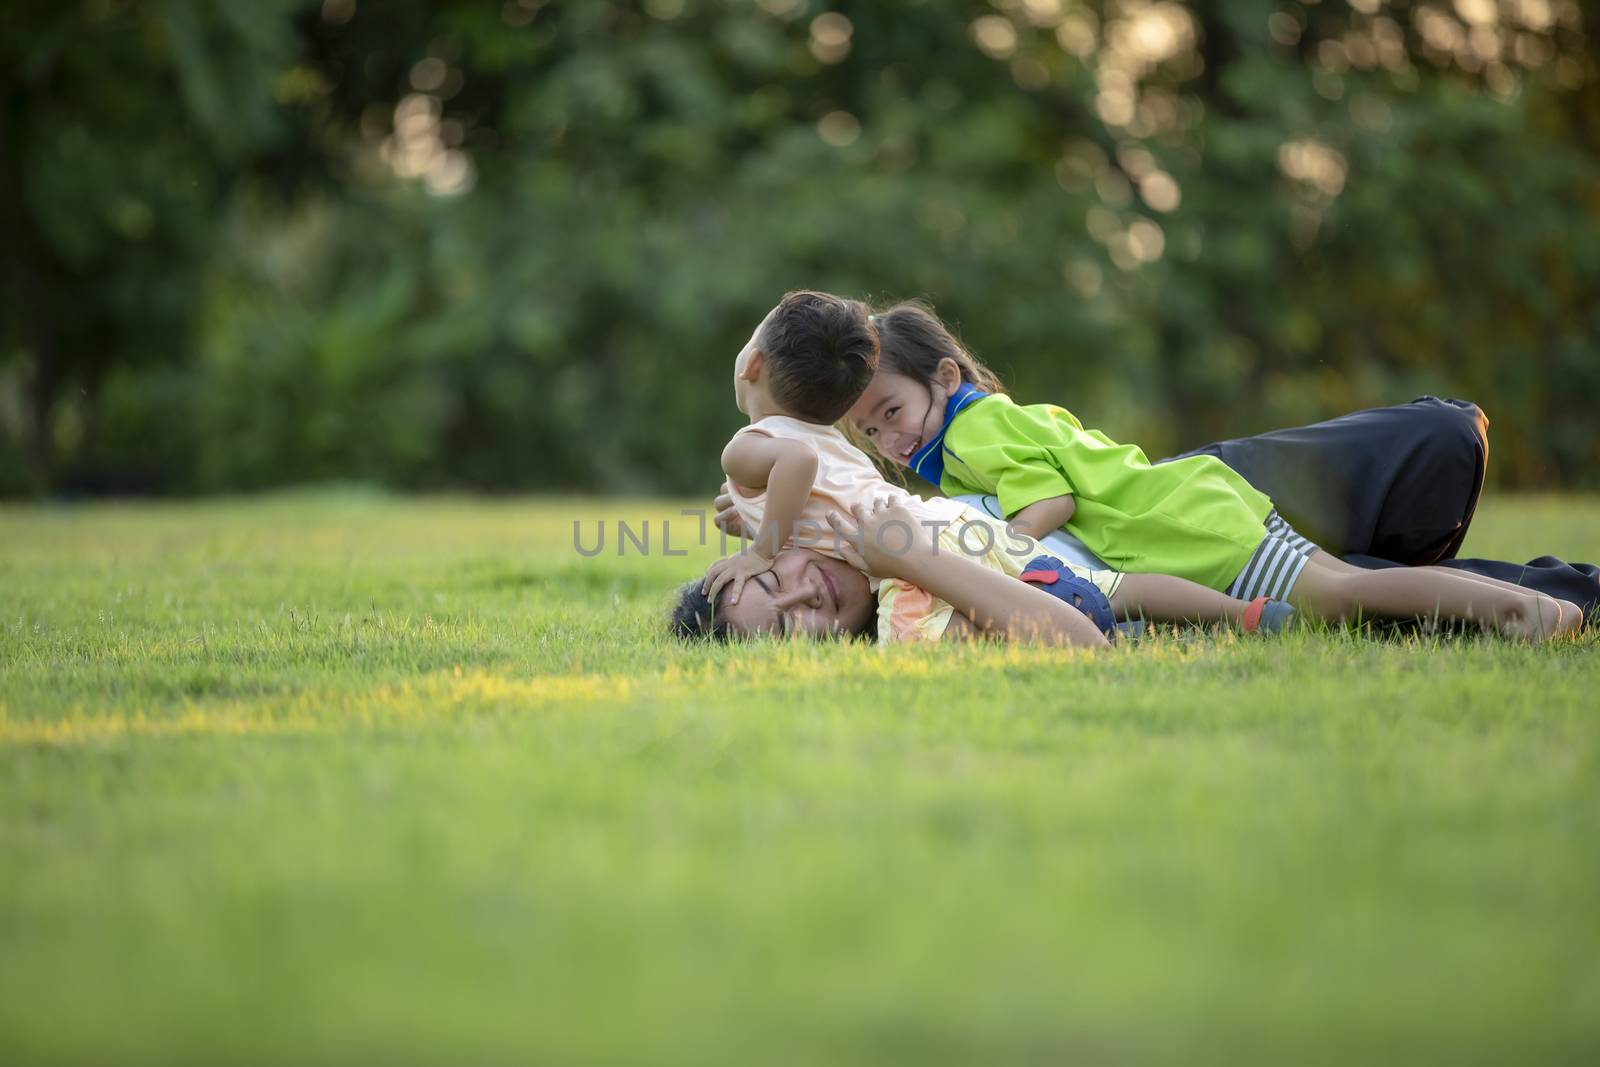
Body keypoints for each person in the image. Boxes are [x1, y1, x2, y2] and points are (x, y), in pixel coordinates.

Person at [845, 300, 1583, 642]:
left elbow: (1053, 503)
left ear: (944, 375)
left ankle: (1523, 609)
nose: (887, 437)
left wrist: (999, 549)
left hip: (1189, 531)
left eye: (891, 410)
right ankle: (1525, 602)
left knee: (1345, 593)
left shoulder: (975, 431)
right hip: (1192, 512)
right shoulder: (982, 428)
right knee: (1344, 590)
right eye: (869, 429)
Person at [686, 291, 1295, 646]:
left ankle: (1224, 615)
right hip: (964, 533)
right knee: (1121, 592)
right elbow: (811, 486)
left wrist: (760, 545)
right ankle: (1246, 615)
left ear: (755, 365)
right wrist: (764, 531)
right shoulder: (824, 446)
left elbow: (793, 471)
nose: (800, 589)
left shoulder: (758, 451)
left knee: (1107, 601)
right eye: (792, 621)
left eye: (774, 583)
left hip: (922, 547)